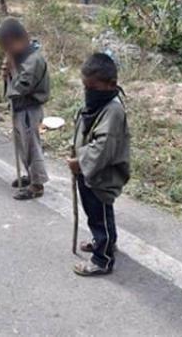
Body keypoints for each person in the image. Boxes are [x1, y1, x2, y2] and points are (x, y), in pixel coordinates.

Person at [67, 53, 130, 276]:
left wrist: (80, 163)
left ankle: (102, 259)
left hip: (101, 175)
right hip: (92, 173)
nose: (88, 92)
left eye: (92, 87)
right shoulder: (98, 104)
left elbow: (103, 146)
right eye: (85, 87)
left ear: (110, 85)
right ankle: (106, 241)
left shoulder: (113, 110)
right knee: (100, 212)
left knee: (98, 214)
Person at [0, 17, 50, 200]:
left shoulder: (33, 60)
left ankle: (37, 184)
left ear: (22, 39)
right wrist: (6, 73)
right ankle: (30, 174)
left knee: (31, 146)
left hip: (29, 108)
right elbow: (11, 82)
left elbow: (22, 86)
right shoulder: (19, 56)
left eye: (9, 46)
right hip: (19, 108)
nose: (7, 52)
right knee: (22, 145)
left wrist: (12, 69)